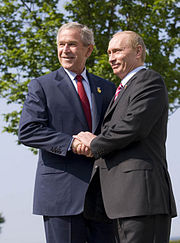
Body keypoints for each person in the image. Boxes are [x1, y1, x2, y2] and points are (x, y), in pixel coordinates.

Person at [74, 30, 177, 243]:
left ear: (138, 51)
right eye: (109, 52)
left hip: (142, 199)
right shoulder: (121, 90)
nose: (111, 58)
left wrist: (95, 143)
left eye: (118, 51)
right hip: (121, 203)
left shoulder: (149, 81)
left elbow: (133, 126)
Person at [18, 22, 116, 243]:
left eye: (72, 44)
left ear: (88, 50)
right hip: (60, 196)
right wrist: (71, 143)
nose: (65, 50)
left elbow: (113, 131)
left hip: (103, 197)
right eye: (61, 45)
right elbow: (28, 130)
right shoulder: (41, 86)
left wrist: (98, 145)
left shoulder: (107, 88)